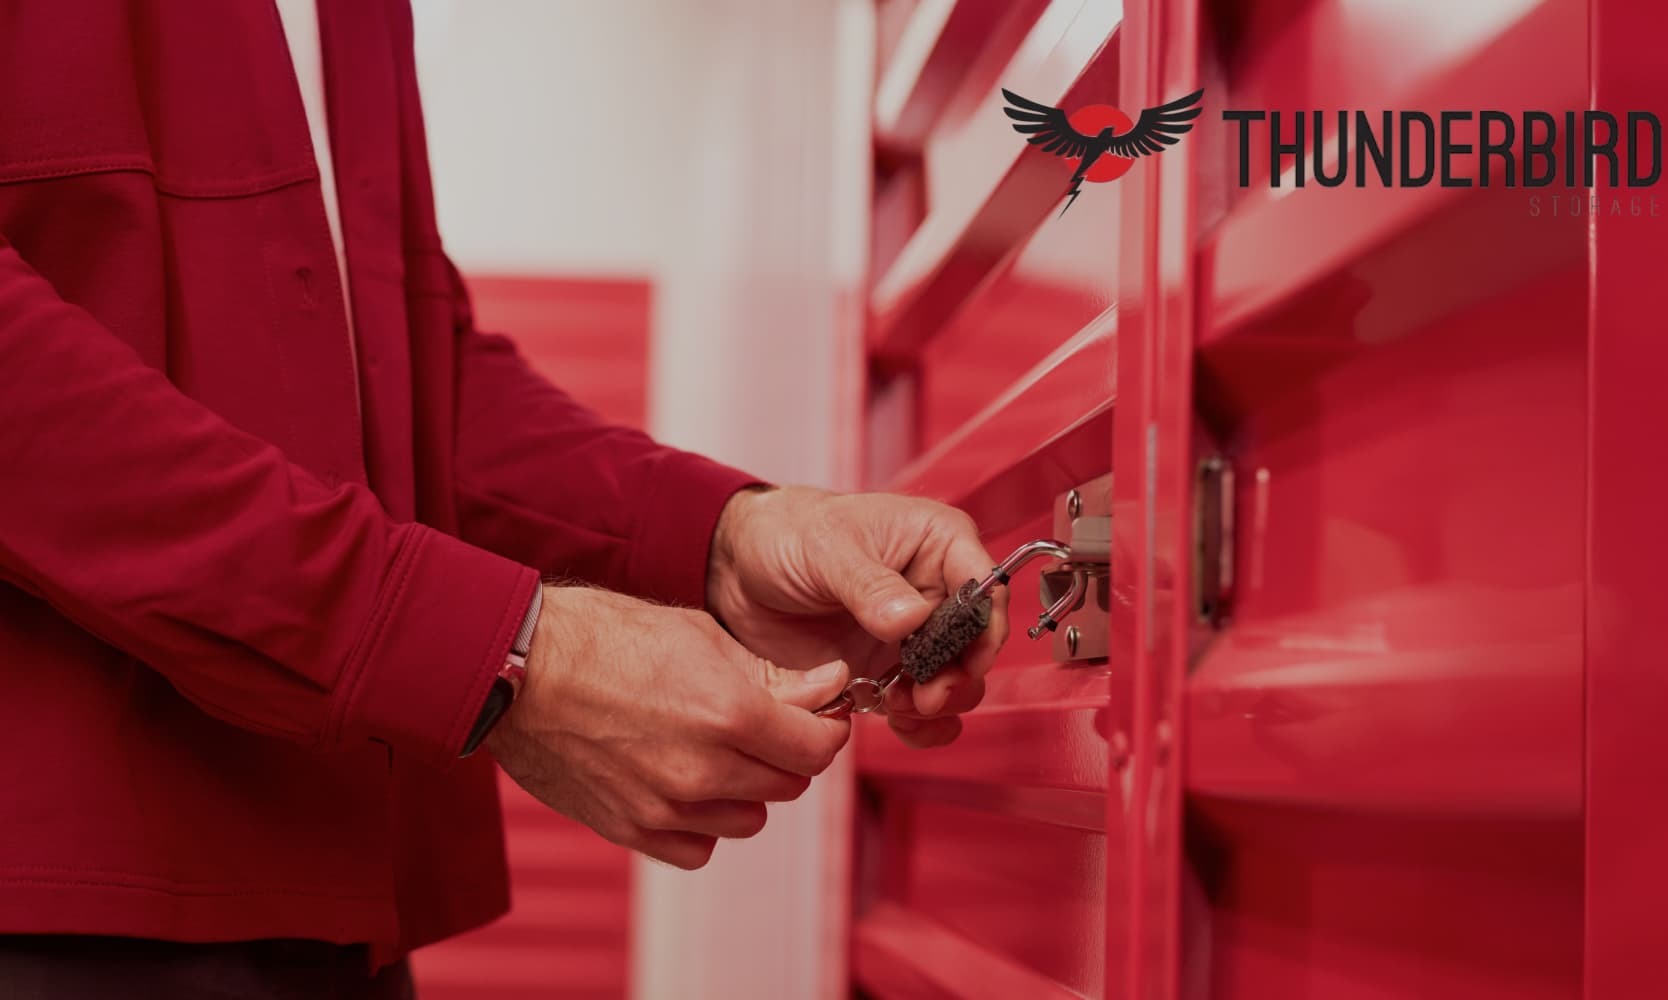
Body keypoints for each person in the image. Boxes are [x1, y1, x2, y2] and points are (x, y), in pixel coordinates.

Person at [0, 1, 1005, 995]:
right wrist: (506, 650)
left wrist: (726, 538)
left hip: (330, 898)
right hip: (57, 907)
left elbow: (393, 380)